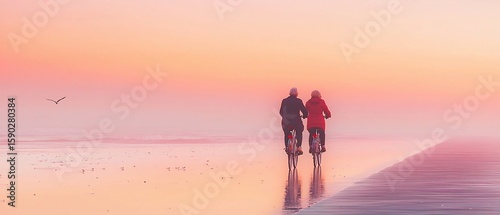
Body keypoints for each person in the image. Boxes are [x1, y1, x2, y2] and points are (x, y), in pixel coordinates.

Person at [280, 87, 308, 155]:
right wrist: (305, 116)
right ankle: (299, 147)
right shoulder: (298, 101)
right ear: (297, 94)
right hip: (296, 121)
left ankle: (287, 147)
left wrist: (284, 117)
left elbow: (281, 111)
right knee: (299, 131)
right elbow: (304, 111)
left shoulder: (284, 101)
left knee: (287, 133)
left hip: (286, 122)